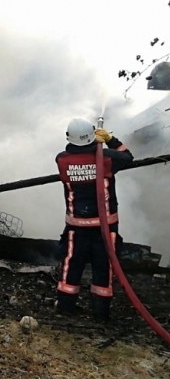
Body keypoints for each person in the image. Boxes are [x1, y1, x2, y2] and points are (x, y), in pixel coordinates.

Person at [55, 117, 134, 321]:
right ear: (92, 135)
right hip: (105, 227)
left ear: (68, 137)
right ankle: (101, 311)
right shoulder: (107, 158)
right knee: (104, 266)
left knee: (72, 263)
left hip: (76, 227)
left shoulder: (62, 160)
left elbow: (75, 156)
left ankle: (65, 306)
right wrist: (110, 139)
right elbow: (128, 156)